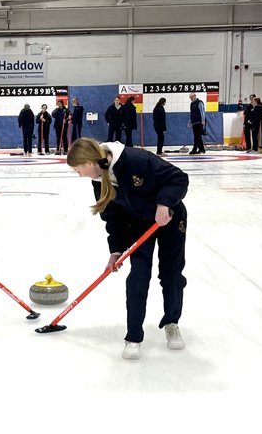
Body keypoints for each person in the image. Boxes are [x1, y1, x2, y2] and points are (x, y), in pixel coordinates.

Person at [67, 137, 189, 361]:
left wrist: (164, 204)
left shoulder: (135, 159)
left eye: (78, 170)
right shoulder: (98, 179)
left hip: (169, 217)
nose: (79, 175)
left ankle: (172, 322)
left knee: (171, 274)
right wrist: (116, 250)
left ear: (89, 162)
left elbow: (178, 179)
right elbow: (112, 216)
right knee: (138, 277)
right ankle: (134, 336)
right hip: (140, 224)